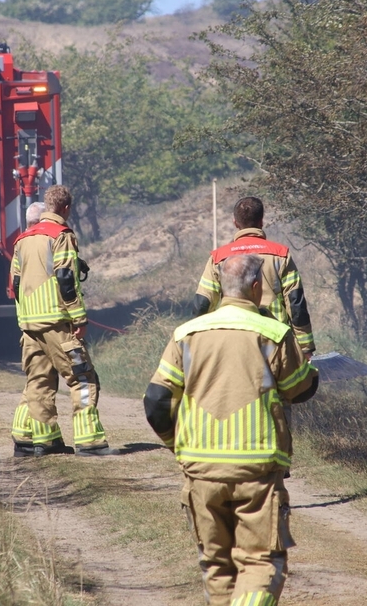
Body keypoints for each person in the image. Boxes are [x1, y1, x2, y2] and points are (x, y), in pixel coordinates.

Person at [144, 254, 318, 605]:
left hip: (200, 471)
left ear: (221, 286)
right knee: (260, 561)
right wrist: (311, 370)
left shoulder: (186, 334)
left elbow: (156, 401)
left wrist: (176, 444)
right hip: (256, 470)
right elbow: (301, 388)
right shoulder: (273, 333)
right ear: (257, 287)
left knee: (216, 565)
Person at [10, 185, 117, 457]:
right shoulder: (61, 235)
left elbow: (15, 283)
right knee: (82, 378)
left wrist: (25, 319)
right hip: (57, 321)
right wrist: (79, 317)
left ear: (47, 205)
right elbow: (66, 280)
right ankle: (89, 442)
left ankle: (36, 441)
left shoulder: (22, 239)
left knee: (39, 382)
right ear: (66, 208)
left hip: (29, 325)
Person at [193, 197, 315, 357]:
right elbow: (296, 304)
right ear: (261, 221)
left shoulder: (218, 258)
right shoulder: (281, 255)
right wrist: (305, 347)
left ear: (235, 223)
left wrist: (199, 343)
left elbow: (202, 304)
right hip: (274, 342)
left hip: (231, 344)